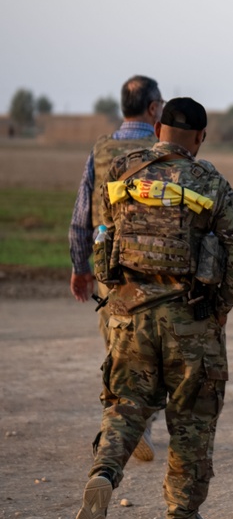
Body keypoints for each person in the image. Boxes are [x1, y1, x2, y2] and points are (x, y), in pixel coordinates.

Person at [73, 98, 233, 519]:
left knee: (125, 404)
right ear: (200, 137)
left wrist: (116, 291)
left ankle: (104, 472)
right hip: (190, 318)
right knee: (192, 418)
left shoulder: (122, 173)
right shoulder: (210, 182)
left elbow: (102, 237)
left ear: (158, 130)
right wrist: (220, 307)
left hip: (129, 313)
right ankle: (182, 518)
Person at [68, 75, 163, 461]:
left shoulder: (101, 149)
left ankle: (116, 421)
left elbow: (81, 214)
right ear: (154, 108)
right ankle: (138, 423)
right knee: (155, 351)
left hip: (111, 269)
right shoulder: (163, 151)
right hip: (158, 270)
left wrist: (80, 266)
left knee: (116, 346)